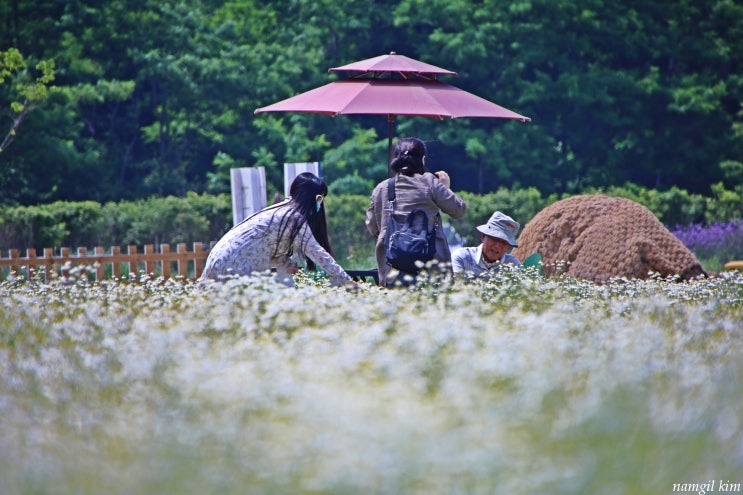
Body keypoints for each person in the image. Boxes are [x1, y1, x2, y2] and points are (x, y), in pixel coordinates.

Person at [201, 172, 354, 288]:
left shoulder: (278, 212)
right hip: (236, 269)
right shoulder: (294, 219)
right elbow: (319, 255)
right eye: (321, 199)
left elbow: (264, 246)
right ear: (316, 199)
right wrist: (348, 282)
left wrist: (285, 262)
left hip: (216, 260)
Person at [366, 137, 467, 286]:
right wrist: (445, 187)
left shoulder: (381, 188)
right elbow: (458, 210)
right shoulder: (429, 182)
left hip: (391, 269)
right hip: (431, 267)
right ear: (423, 159)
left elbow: (373, 227)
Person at [451, 211, 522, 279]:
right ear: (483, 237)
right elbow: (457, 287)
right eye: (495, 239)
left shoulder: (513, 266)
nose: (497, 246)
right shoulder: (462, 258)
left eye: (504, 243)